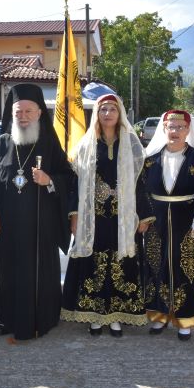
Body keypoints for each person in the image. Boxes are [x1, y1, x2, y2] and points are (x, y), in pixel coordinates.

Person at [0, 83, 75, 340]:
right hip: (8, 226)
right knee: (8, 276)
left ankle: (41, 319)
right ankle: (8, 320)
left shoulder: (48, 143)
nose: (22, 117)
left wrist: (50, 181)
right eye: (17, 112)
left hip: (40, 226)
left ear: (39, 113)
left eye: (28, 111)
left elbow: (68, 177)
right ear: (11, 114)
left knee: (38, 275)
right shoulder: (2, 143)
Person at [61, 94, 148, 337]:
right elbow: (75, 184)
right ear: (96, 114)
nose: (108, 113)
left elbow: (141, 182)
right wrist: (75, 215)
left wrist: (143, 215)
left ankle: (117, 316)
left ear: (120, 113)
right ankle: (96, 316)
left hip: (123, 217)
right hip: (94, 218)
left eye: (112, 109)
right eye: (103, 109)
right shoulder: (85, 146)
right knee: (94, 264)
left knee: (121, 262)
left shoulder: (130, 145)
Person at [141, 110, 194, 341]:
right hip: (156, 221)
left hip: (188, 221)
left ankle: (185, 318)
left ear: (188, 130)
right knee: (157, 265)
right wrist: (142, 217)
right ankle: (159, 314)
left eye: (180, 127)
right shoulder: (150, 160)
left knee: (188, 269)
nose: (175, 132)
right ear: (164, 129)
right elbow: (142, 192)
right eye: (170, 127)